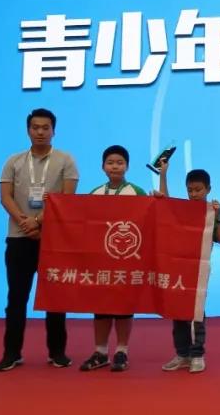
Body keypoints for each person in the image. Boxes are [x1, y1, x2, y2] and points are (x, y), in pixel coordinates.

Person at [0, 108, 78, 372]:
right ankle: (11, 353)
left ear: (54, 131)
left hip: (52, 240)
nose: (40, 132)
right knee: (16, 298)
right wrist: (25, 222)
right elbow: (5, 197)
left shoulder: (65, 160)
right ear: (28, 130)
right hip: (18, 238)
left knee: (55, 298)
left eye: (45, 127)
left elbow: (66, 199)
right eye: (35, 127)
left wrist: (38, 221)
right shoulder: (14, 161)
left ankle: (57, 352)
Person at [79, 145, 146, 373]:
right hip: (100, 261)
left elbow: (150, 219)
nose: (115, 166)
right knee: (101, 307)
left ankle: (122, 351)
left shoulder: (137, 192)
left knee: (124, 307)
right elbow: (84, 222)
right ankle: (100, 351)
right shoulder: (95, 193)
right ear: (102, 167)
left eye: (119, 162)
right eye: (110, 162)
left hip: (127, 260)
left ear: (127, 166)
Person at [156, 165, 220, 373]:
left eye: (198, 190)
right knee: (178, 311)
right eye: (190, 190)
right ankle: (182, 354)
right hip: (178, 268)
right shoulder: (183, 209)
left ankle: (197, 355)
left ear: (208, 189)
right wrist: (163, 175)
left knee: (196, 313)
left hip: (199, 270)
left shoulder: (211, 212)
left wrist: (218, 215)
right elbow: (165, 204)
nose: (194, 194)